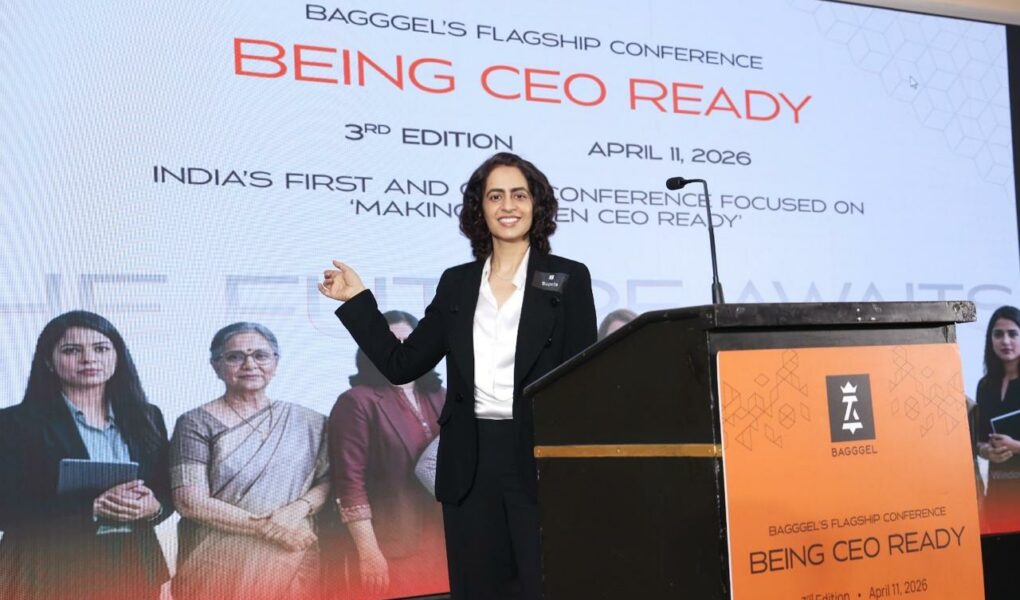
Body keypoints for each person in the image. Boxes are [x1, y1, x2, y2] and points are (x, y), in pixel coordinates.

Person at [319, 151, 597, 599]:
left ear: (537, 205)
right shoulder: (458, 283)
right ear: (479, 209)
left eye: (519, 195)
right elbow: (403, 364)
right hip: (470, 464)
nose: (508, 206)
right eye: (495, 196)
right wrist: (358, 301)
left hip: (538, 459)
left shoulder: (568, 278)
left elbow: (583, 380)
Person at [0, 311, 172, 600]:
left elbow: (164, 489)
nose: (89, 359)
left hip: (132, 569)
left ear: (117, 356)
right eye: (72, 350)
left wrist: (154, 507)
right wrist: (90, 509)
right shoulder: (14, 423)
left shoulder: (147, 416)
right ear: (48, 361)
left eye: (101, 348)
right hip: (47, 572)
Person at [170, 322, 330, 600]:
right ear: (216, 366)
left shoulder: (310, 422)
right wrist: (268, 528)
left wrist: (298, 508)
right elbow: (189, 501)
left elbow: (330, 481)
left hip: (291, 556)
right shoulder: (195, 423)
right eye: (235, 357)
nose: (250, 364)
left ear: (275, 363)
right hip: (218, 565)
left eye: (260, 355)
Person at [328, 310, 448, 599]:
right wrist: (369, 552)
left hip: (444, 537)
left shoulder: (439, 395)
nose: (400, 350)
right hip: (390, 543)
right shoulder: (356, 402)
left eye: (409, 342)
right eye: (390, 342)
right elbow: (349, 484)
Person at [975, 305, 1020, 534]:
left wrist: (1015, 446)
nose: (1006, 341)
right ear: (990, 339)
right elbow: (980, 440)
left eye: (1013, 334)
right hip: (998, 496)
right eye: (998, 334)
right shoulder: (985, 386)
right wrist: (986, 451)